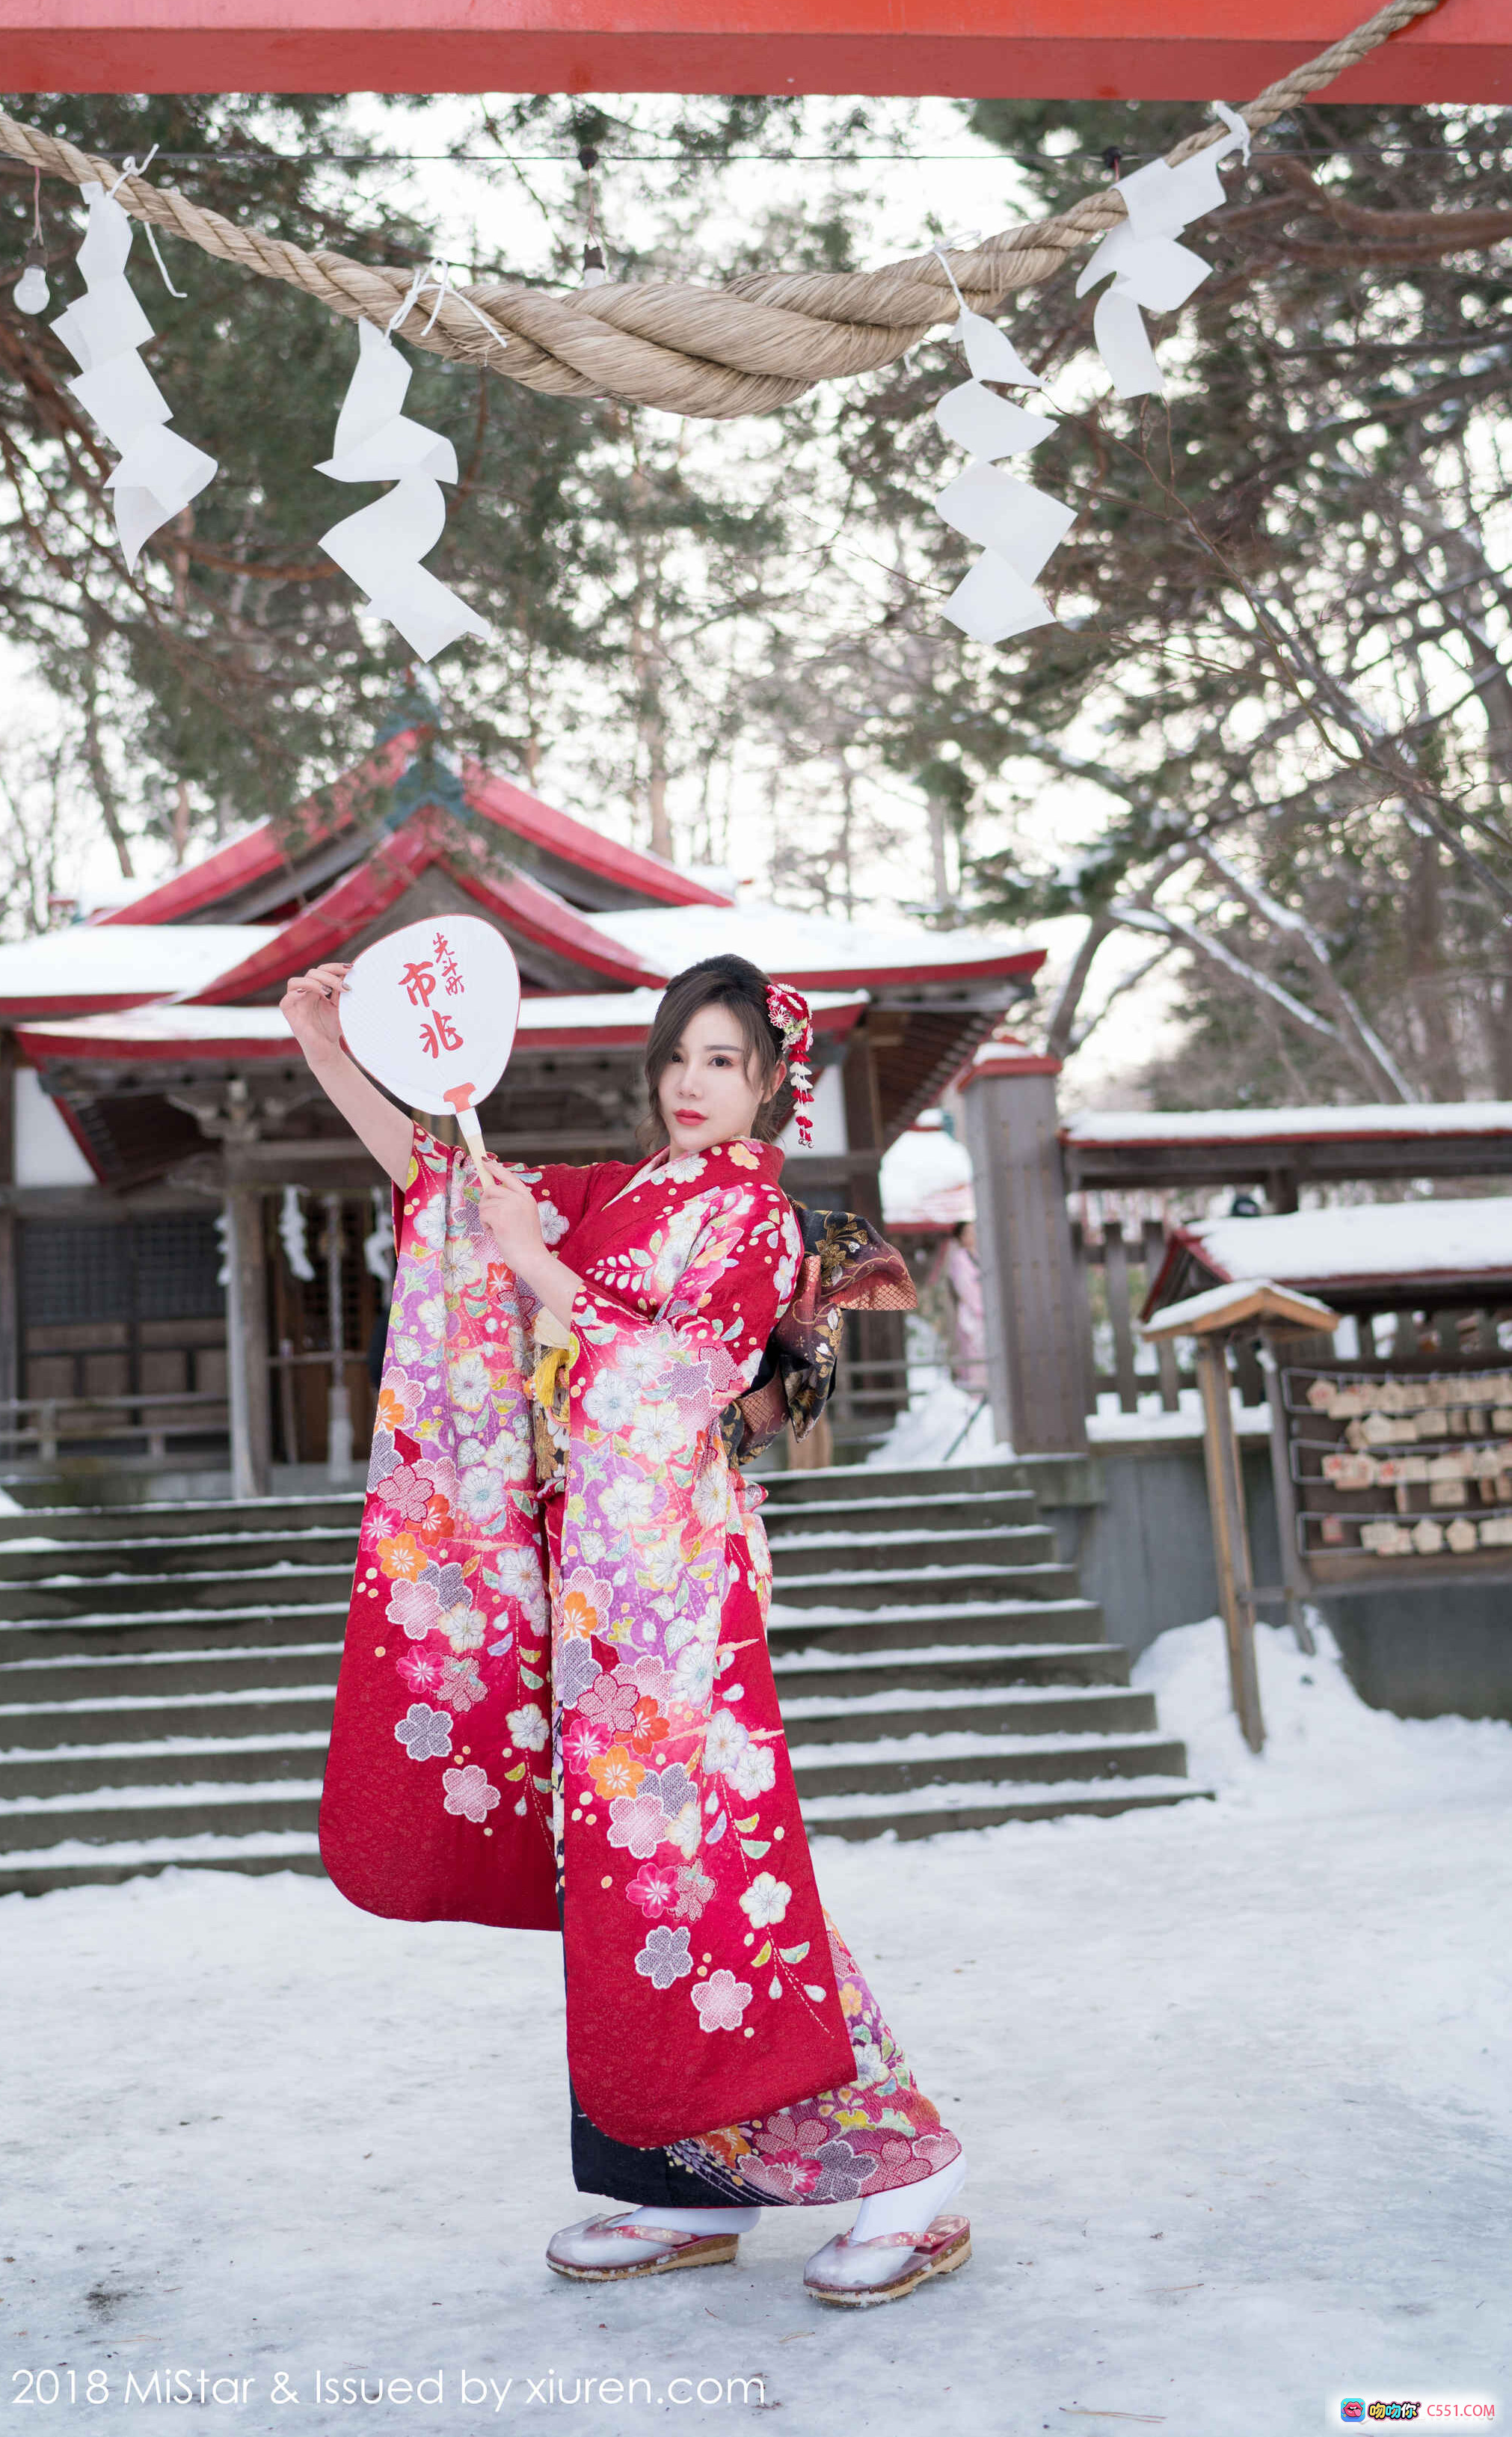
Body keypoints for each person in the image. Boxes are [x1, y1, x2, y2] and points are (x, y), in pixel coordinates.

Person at [280, 950, 970, 2308]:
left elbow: (678, 1377)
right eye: (678, 1057)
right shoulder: (624, 1194)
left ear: (776, 1084)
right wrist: (328, 1050)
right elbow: (443, 1196)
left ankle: (914, 2176)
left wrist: (541, 1270)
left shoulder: (759, 1223)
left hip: (676, 1594)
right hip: (597, 1596)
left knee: (720, 1878)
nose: (693, 1082)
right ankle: (674, 2186)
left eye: (724, 1060)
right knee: (628, 1890)